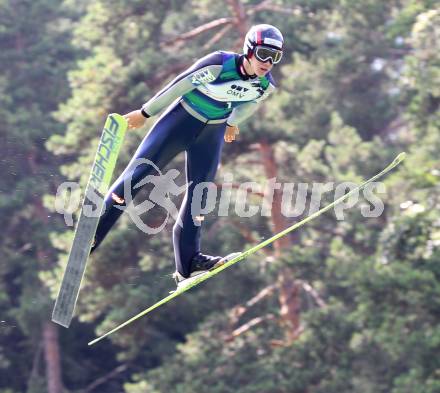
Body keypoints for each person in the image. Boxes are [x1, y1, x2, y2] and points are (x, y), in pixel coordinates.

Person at [91, 24, 284, 287]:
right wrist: (145, 113)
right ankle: (93, 233)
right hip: (180, 122)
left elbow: (250, 105)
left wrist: (232, 122)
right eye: (263, 54)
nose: (268, 62)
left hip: (211, 135)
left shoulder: (265, 86)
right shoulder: (218, 64)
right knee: (138, 176)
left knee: (199, 197)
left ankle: (189, 265)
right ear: (249, 49)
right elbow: (178, 86)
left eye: (275, 57)